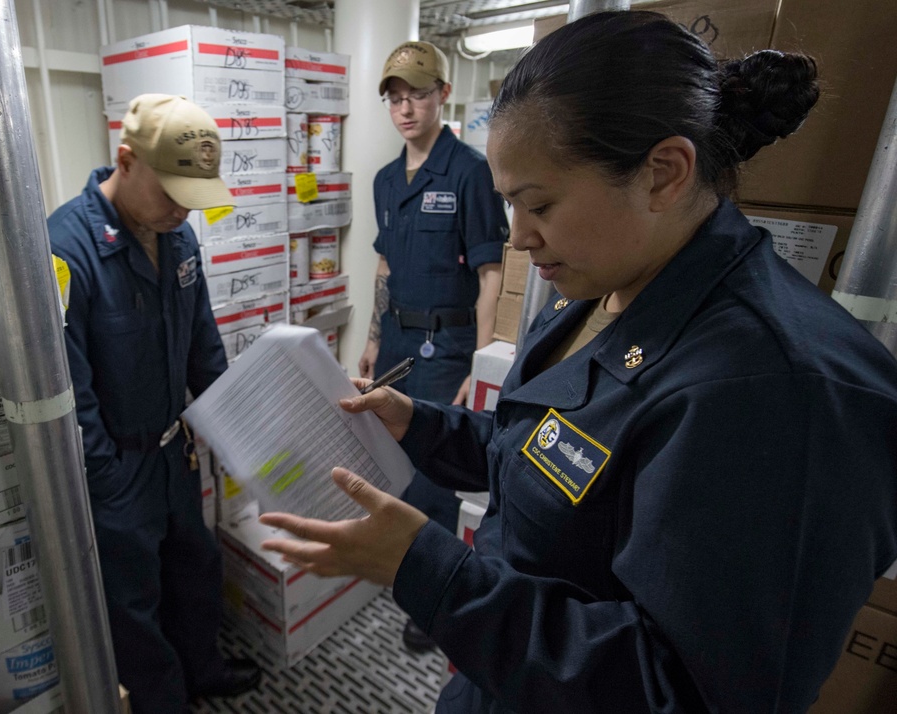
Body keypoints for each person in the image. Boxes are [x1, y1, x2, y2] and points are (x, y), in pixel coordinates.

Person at [259, 11, 897, 713]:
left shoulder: (782, 392)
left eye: (539, 204)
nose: (520, 237)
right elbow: (545, 457)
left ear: (664, 173)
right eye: (510, 206)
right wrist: (420, 425)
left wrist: (430, 570)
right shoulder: (597, 286)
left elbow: (680, 693)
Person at [48, 94, 260, 714]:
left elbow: (203, 345)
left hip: (175, 451)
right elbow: (70, 393)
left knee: (195, 566)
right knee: (133, 602)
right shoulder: (66, 249)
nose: (179, 211)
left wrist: (238, 432)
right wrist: (108, 479)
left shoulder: (179, 238)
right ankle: (165, 702)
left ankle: (204, 669)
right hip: (116, 466)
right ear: (126, 160)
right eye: (170, 192)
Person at [360, 40, 509, 651]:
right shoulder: (385, 179)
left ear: (442, 95)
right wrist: (371, 339)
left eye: (417, 95)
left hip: (445, 345)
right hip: (395, 336)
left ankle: (433, 602)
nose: (405, 108)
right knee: (391, 461)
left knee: (433, 479)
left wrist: (477, 362)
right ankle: (402, 567)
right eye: (395, 98)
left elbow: (491, 271)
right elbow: (384, 266)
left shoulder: (470, 172)